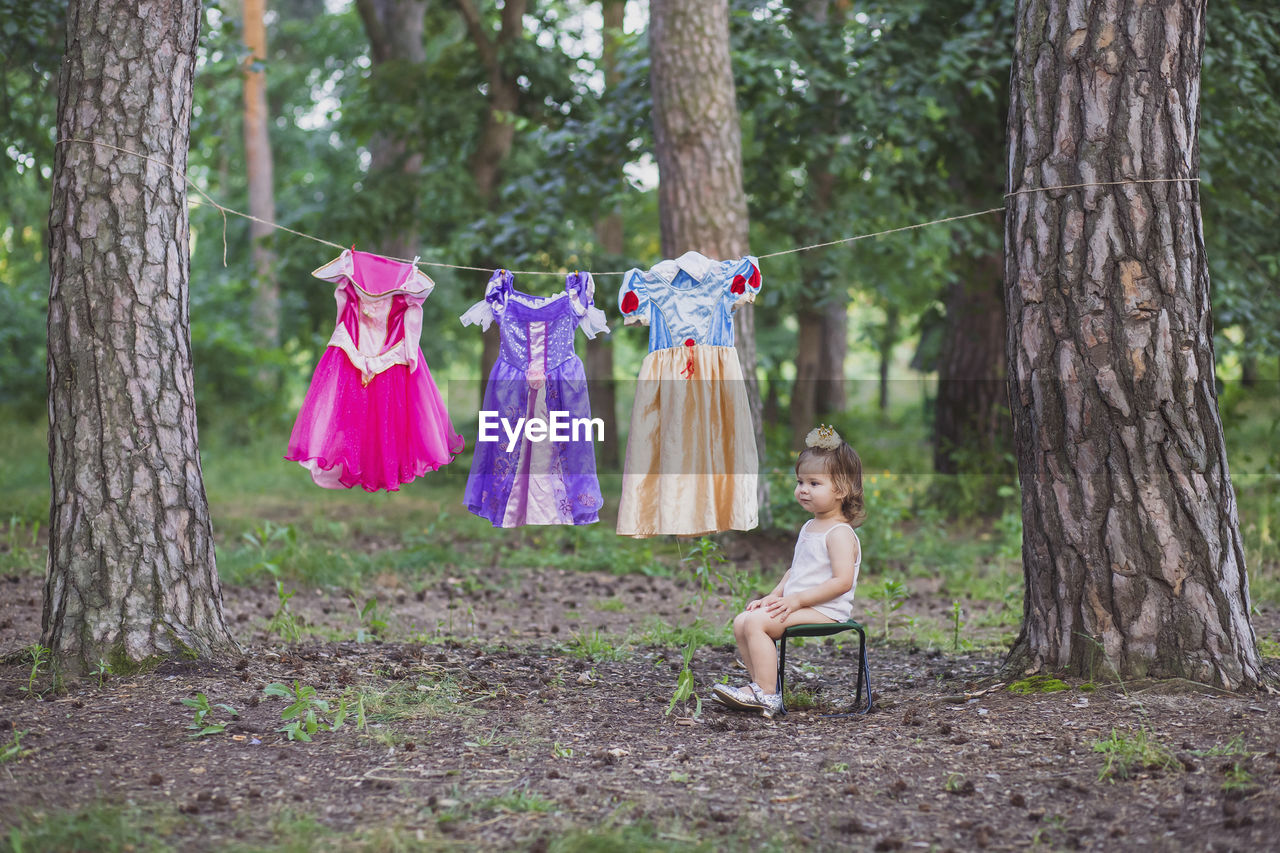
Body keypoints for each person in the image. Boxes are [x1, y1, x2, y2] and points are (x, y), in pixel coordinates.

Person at [712, 424, 864, 718]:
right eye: (800, 482)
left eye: (814, 483)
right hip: (803, 603)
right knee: (743, 620)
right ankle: (758, 686)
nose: (803, 490)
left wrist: (796, 601)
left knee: (757, 624)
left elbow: (842, 582)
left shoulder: (840, 533)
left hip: (826, 609)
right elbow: (796, 570)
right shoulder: (810, 526)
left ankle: (767, 693)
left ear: (842, 490)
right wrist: (774, 595)